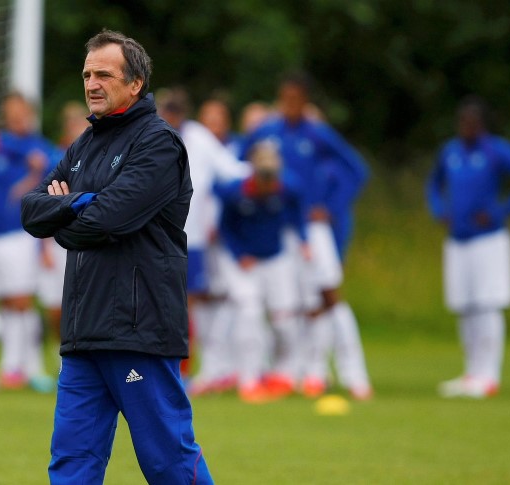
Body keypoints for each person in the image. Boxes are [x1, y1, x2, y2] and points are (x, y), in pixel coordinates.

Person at [21, 30, 213, 484]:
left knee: (167, 461)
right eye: (87, 74)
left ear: (135, 84)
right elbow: (31, 211)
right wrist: (79, 204)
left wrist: (68, 208)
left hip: (137, 329)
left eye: (104, 74)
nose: (92, 83)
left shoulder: (158, 144)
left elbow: (104, 221)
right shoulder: (83, 145)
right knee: (71, 463)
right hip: (83, 332)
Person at [241, 72, 372, 400]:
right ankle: (298, 371)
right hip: (278, 228)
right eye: (285, 98)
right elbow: (236, 162)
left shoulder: (317, 133)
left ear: (306, 100)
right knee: (290, 303)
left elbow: (356, 170)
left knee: (326, 296)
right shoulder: (268, 131)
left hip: (312, 228)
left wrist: (330, 206)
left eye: (296, 99)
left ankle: (345, 373)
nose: (290, 105)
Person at [427, 96, 510, 399]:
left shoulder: (497, 150)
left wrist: (500, 211)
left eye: (472, 122)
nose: (466, 127)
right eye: (462, 122)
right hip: (458, 239)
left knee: (487, 304)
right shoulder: (451, 151)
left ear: (481, 124)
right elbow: (433, 184)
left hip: (489, 239)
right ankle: (471, 372)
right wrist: (438, 208)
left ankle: (489, 375)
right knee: (465, 306)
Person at [157, 87, 249, 395]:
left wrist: (261, 175)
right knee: (162, 304)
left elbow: (229, 169)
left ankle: (189, 370)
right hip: (155, 235)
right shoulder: (149, 136)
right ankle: (178, 369)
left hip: (191, 238)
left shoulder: (198, 138)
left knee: (186, 306)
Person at [0, 96, 55, 392]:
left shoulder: (40, 149)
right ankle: (11, 365)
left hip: (18, 232)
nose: (15, 118)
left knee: (21, 299)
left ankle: (28, 366)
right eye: (10, 114)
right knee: (3, 300)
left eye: (21, 113)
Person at [214, 141, 308, 403]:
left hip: (276, 258)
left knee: (284, 320)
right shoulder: (236, 193)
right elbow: (225, 228)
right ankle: (249, 379)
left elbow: (298, 214)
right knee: (249, 313)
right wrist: (239, 254)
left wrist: (304, 239)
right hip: (244, 262)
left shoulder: (287, 188)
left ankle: (284, 373)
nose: (269, 181)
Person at [37, 101, 90, 338]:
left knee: (85, 304)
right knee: (55, 304)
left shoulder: (102, 159)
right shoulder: (56, 160)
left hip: (88, 239)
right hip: (58, 240)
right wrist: (44, 245)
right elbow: (44, 206)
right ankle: (62, 355)